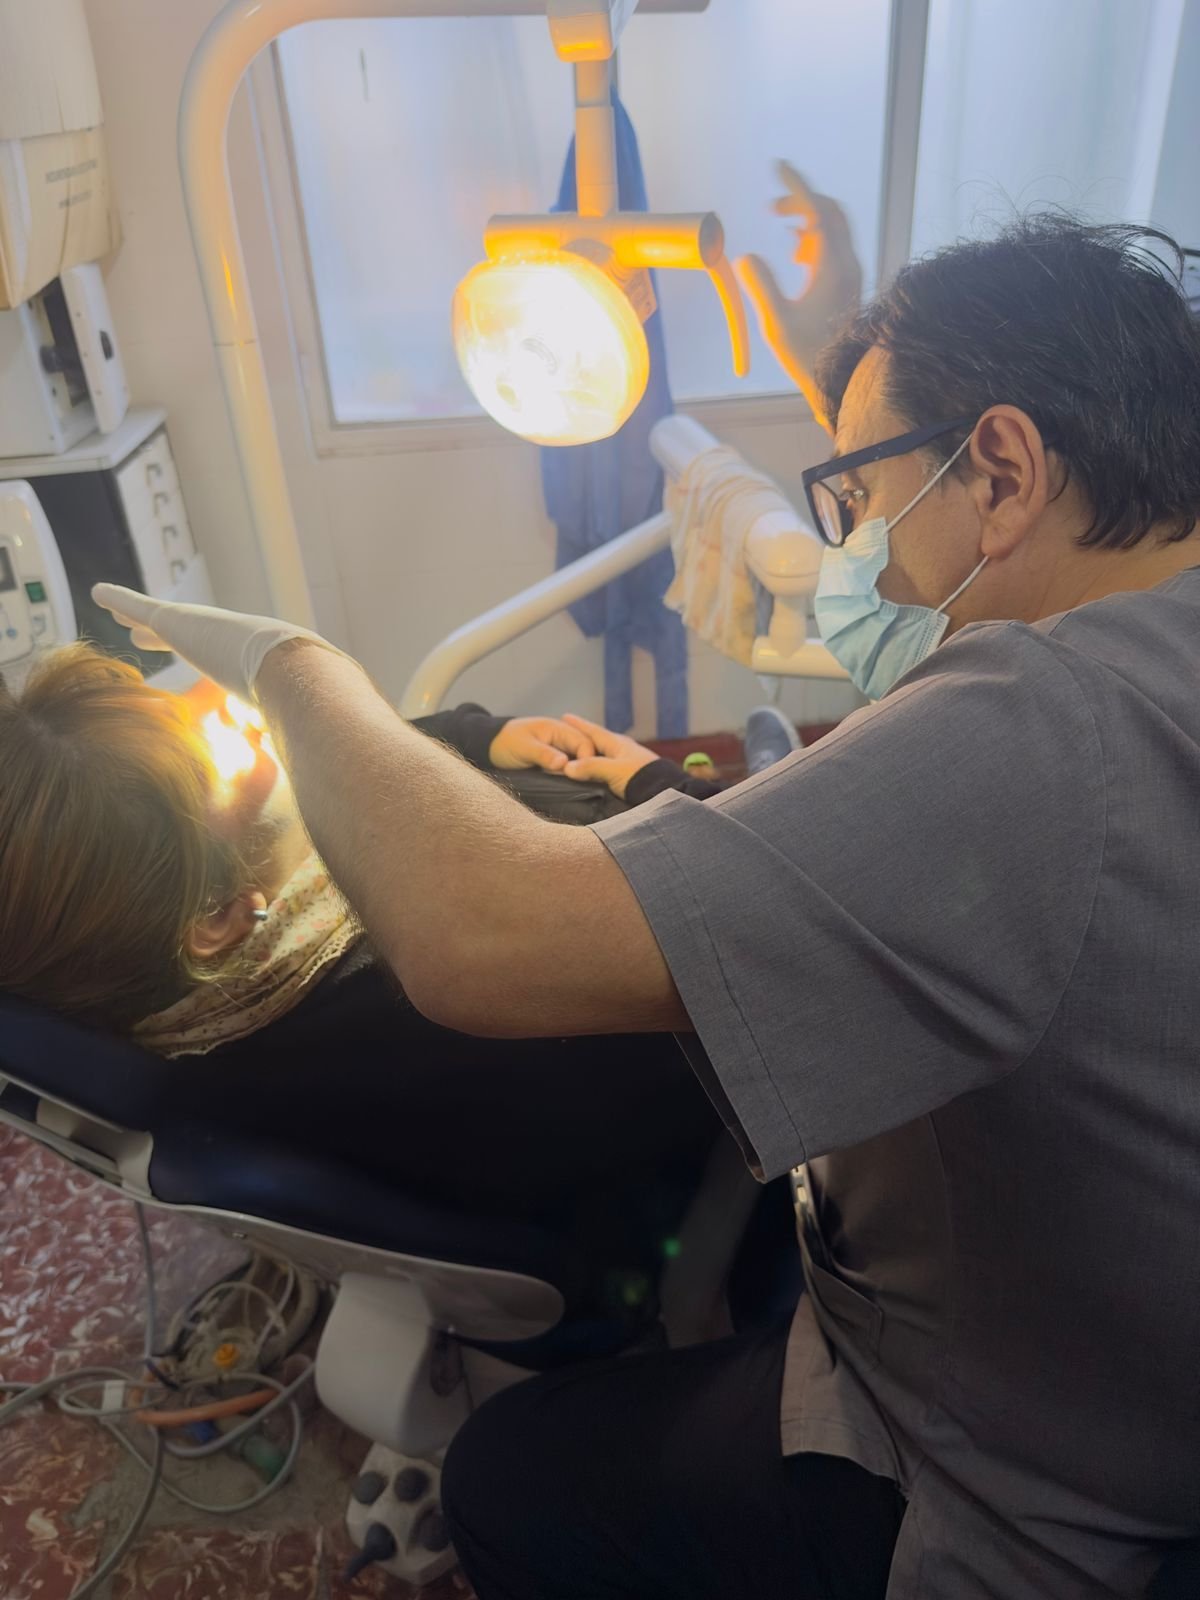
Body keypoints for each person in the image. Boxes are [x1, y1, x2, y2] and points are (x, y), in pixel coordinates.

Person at [93, 199, 1200, 1598]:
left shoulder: (1041, 720)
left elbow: (482, 937)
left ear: (1004, 466)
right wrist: (835, 362)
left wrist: (294, 668)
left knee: (508, 1479)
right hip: (1136, 1389)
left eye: (856, 501)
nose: (854, 557)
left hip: (1017, 1483)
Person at [0, 644, 735, 1322]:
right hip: (696, 1066)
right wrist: (662, 785)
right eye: (221, 748)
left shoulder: (193, 966)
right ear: (217, 917)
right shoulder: (442, 997)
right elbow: (742, 932)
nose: (243, 723)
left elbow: (333, 792)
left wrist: (470, 740)